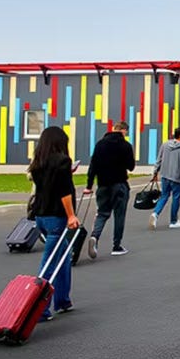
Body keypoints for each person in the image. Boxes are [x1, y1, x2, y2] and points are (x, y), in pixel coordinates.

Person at [28, 126, 79, 322]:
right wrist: (71, 215)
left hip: (41, 215)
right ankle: (39, 309)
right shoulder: (62, 161)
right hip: (57, 216)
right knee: (48, 264)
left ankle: (63, 300)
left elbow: (47, 185)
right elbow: (64, 191)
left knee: (63, 258)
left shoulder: (38, 163)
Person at [85, 121, 135, 258]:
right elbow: (131, 166)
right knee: (119, 215)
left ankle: (95, 237)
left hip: (103, 185)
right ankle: (116, 246)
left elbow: (92, 166)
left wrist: (89, 186)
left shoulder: (100, 144)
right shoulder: (125, 146)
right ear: (124, 131)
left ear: (113, 129)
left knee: (102, 213)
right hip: (119, 184)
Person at [149, 127, 180, 230]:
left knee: (164, 196)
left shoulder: (165, 145)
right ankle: (173, 221)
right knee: (176, 198)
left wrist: (155, 172)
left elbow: (159, 159)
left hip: (165, 175)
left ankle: (155, 213)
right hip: (177, 177)